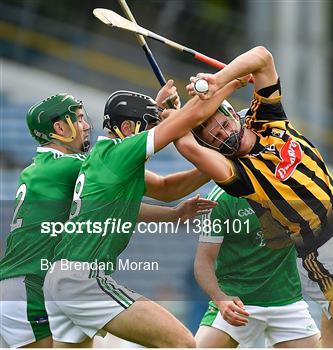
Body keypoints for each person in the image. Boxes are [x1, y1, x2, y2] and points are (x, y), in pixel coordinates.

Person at [175, 46, 333, 347]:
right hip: (323, 255)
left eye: (222, 125)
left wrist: (218, 81)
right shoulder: (240, 175)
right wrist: (177, 113)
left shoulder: (268, 119)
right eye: (214, 137)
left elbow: (262, 57)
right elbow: (188, 147)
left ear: (233, 114)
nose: (222, 135)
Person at [42, 80, 237, 348]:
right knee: (183, 343)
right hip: (83, 280)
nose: (155, 134)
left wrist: (221, 164)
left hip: (60, 280)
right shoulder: (117, 156)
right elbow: (187, 120)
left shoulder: (109, 161)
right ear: (126, 129)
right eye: (149, 127)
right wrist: (224, 86)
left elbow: (168, 189)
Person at [0, 93, 91, 348]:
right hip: (29, 285)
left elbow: (116, 204)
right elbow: (154, 185)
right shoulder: (67, 167)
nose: (85, 126)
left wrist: (173, 214)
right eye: (79, 119)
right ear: (60, 128)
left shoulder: (40, 167)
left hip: (22, 285)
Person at [195, 185, 320, 348]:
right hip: (237, 306)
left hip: (288, 305)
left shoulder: (290, 188)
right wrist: (221, 300)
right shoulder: (221, 199)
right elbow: (203, 262)